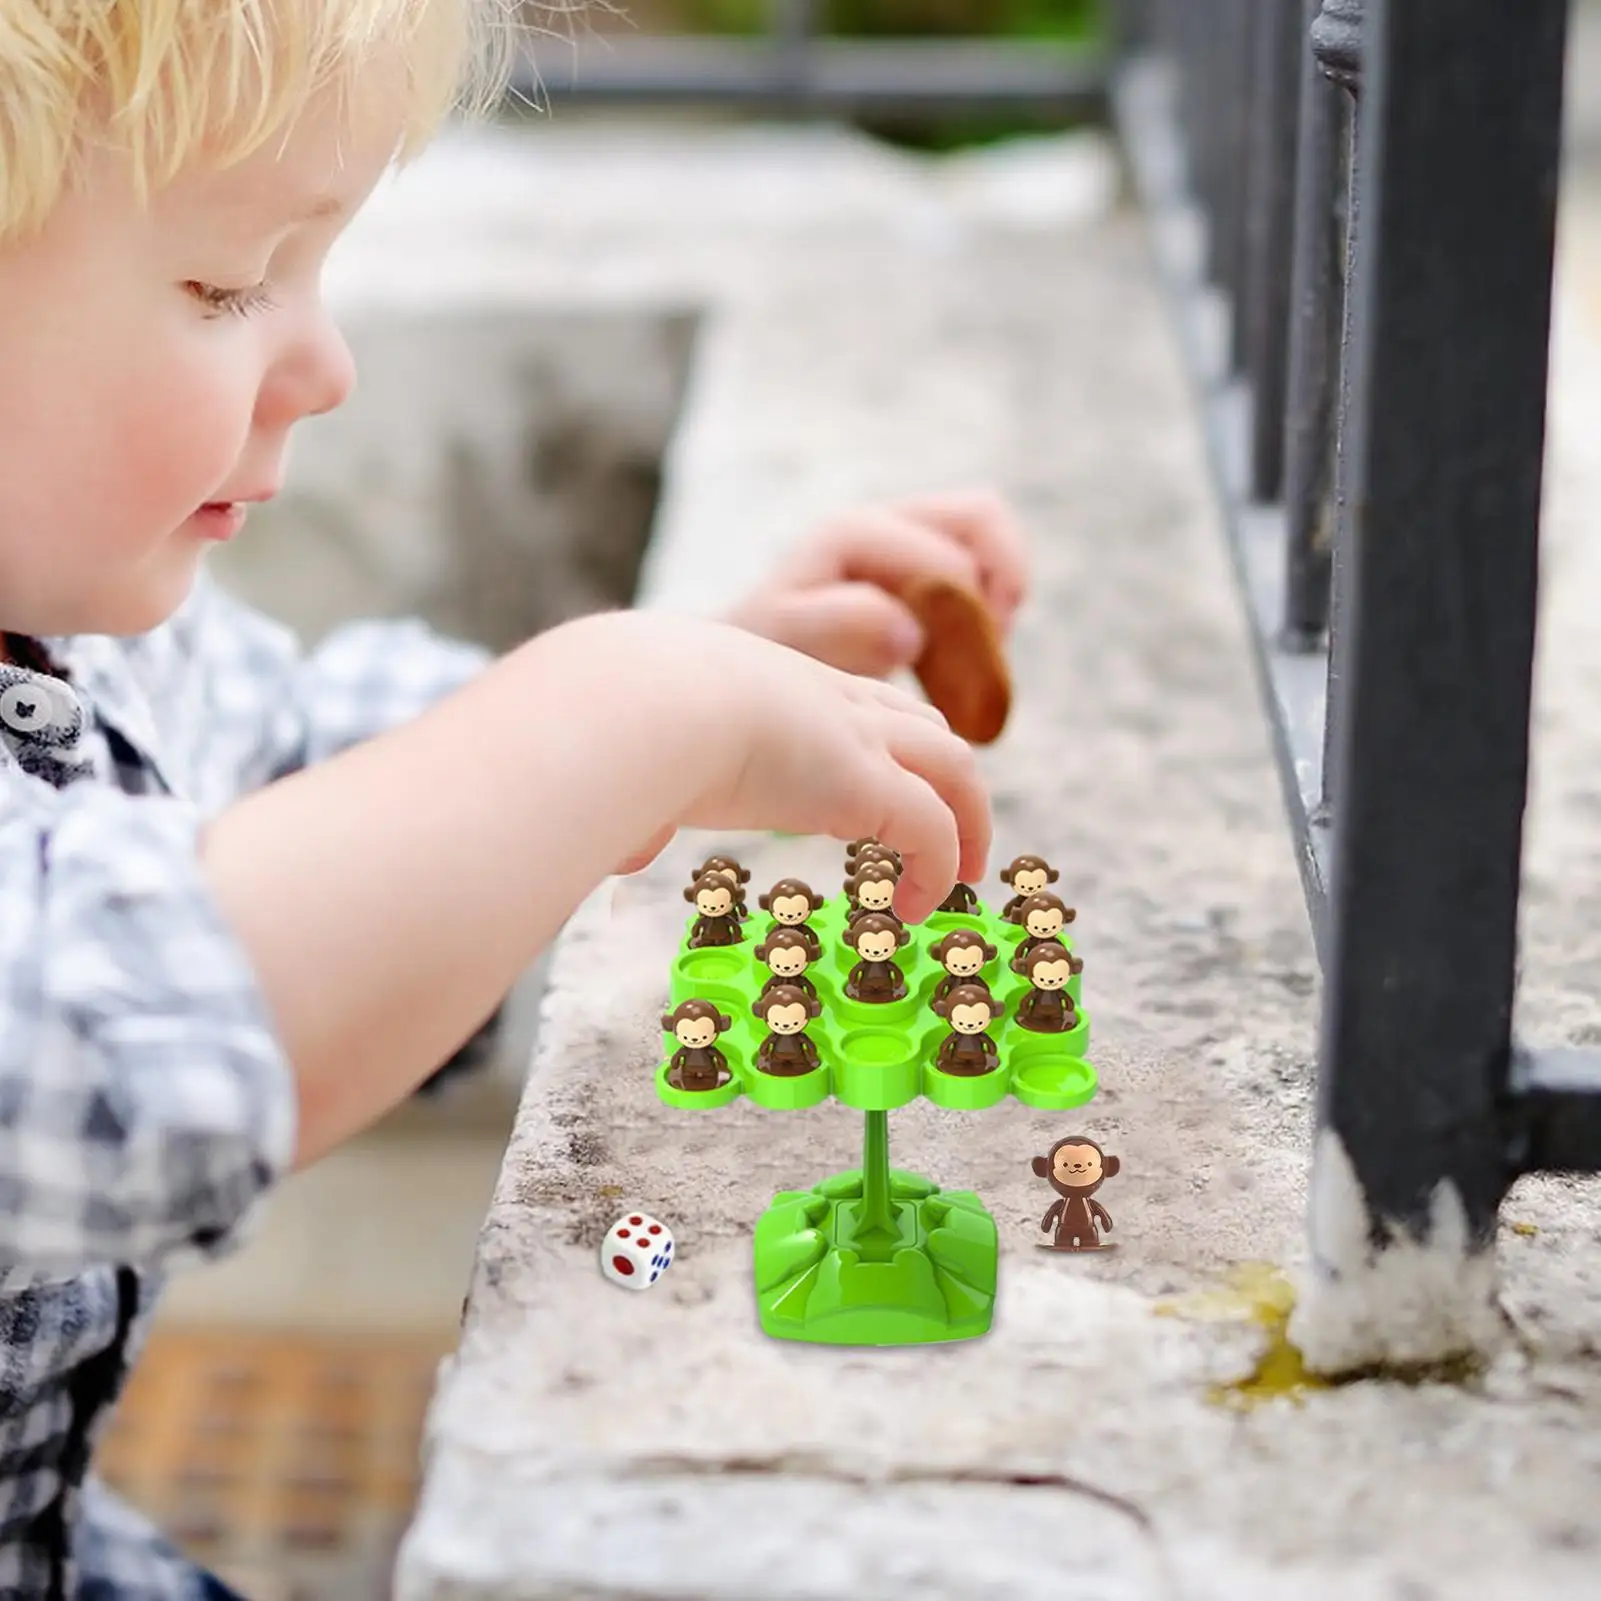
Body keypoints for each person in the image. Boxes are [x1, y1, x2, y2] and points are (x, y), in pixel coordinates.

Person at [0, 1, 1029, 1594]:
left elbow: (309, 768)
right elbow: (120, 1036)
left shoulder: (73, 627)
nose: (324, 363)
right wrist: (614, 718)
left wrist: (706, 683)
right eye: (226, 281)